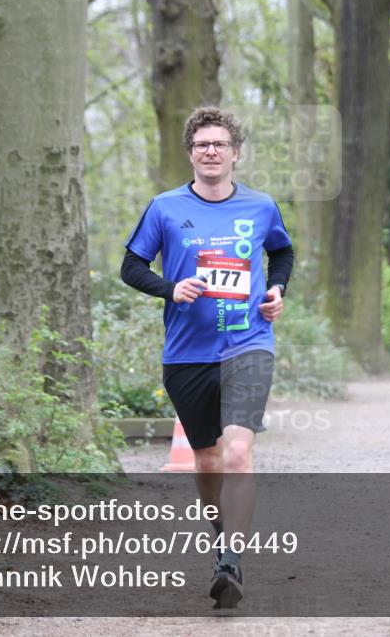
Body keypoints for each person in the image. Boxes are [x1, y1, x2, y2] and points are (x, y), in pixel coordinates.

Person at [120, 107, 293, 608]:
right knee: (209, 460)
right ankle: (222, 542)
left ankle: (231, 561)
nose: (210, 151)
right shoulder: (165, 208)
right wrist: (170, 289)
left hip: (248, 343)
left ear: (235, 153)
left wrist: (277, 289)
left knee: (238, 452)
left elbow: (282, 253)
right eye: (201, 145)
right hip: (186, 354)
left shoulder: (261, 206)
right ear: (191, 154)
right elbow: (131, 266)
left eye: (219, 144)